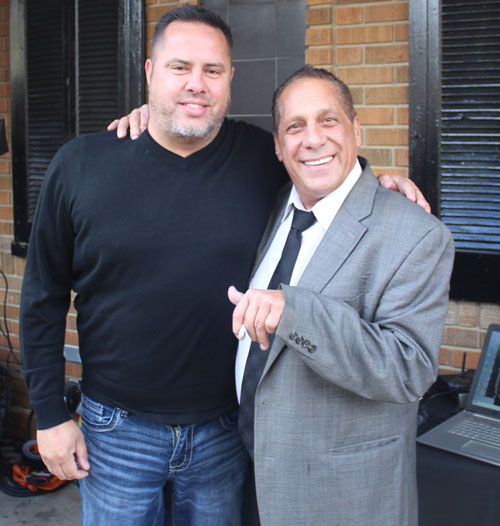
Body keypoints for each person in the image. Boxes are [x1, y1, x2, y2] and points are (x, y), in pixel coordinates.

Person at [21, 6, 429, 526]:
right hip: (116, 432)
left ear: (230, 79)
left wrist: (383, 185)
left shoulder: (266, 160)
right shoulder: (80, 166)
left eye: (212, 71)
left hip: (226, 433)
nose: (197, 84)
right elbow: (42, 298)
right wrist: (51, 415)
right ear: (149, 72)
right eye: (179, 68)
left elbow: (329, 173)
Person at [228, 66, 455, 526]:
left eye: (327, 120)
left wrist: (296, 312)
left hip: (342, 498)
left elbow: (408, 367)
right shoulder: (278, 206)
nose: (312, 140)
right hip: (250, 477)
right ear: (278, 144)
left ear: (355, 129)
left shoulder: (415, 233)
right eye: (295, 126)